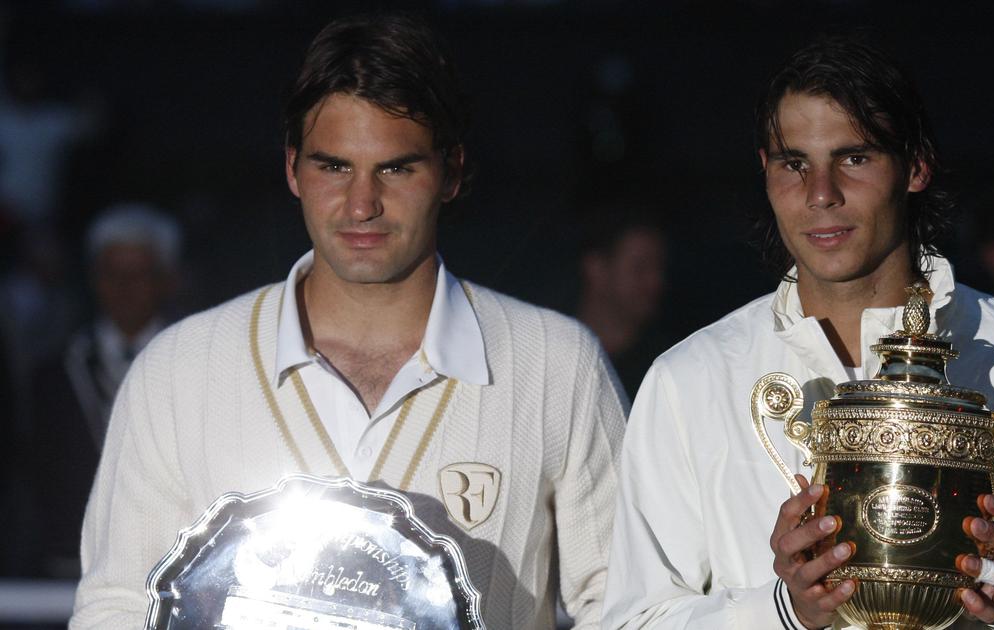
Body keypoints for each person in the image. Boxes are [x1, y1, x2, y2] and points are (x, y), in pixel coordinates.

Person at [601, 35, 994, 629]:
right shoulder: (691, 379)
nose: (820, 195)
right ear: (765, 171)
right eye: (794, 163)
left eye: (854, 158)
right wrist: (782, 613)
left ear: (916, 166)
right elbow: (629, 621)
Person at [71, 14, 625, 630]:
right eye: (333, 166)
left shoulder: (556, 362)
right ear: (291, 168)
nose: (362, 204)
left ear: (452, 172)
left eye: (396, 167)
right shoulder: (179, 369)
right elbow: (118, 606)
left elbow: (623, 603)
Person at [34, 203, 181, 578]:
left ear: (165, 280)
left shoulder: (198, 362)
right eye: (111, 274)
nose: (124, 288)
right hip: (73, 566)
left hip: (171, 562)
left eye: (139, 274)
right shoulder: (57, 372)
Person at [576, 202, 669, 394]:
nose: (654, 281)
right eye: (639, 268)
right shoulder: (554, 349)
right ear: (596, 268)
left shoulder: (662, 368)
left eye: (658, 267)